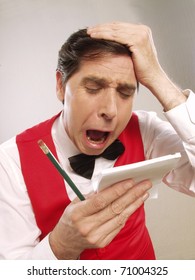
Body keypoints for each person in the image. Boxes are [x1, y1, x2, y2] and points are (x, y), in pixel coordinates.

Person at [0, 22, 195, 260]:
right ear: (60, 85)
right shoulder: (10, 161)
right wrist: (59, 246)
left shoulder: (145, 130)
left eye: (125, 93)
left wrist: (157, 77)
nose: (110, 111)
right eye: (93, 88)